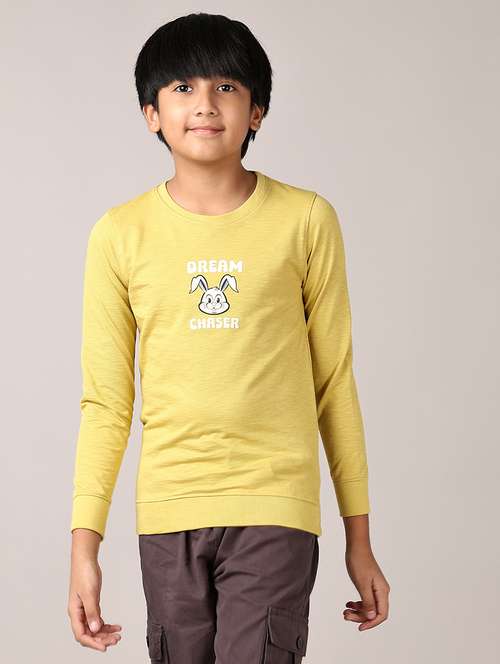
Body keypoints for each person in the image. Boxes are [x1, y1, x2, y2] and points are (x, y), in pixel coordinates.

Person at [67, 11, 390, 662]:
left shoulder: (306, 220)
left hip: (275, 504)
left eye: (227, 87)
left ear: (257, 111)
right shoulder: (119, 235)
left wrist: (359, 539)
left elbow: (333, 385)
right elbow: (106, 402)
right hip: (169, 511)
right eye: (183, 88)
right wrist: (84, 546)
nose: (205, 105)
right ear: (151, 114)